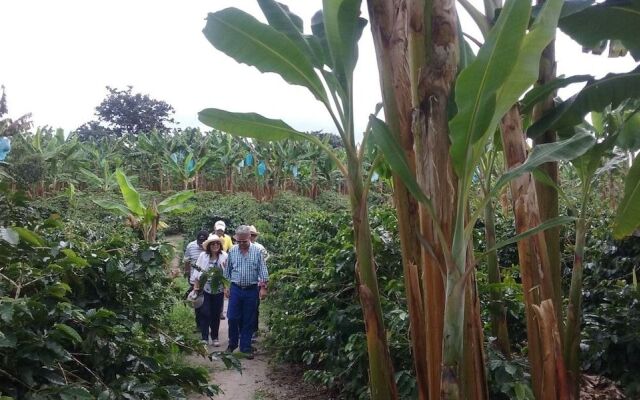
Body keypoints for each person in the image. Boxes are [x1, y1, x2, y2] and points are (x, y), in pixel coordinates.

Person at [224, 225, 268, 359]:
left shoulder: (257, 251)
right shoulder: (232, 251)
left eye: (244, 241)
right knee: (232, 317)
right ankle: (232, 344)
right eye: (239, 241)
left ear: (250, 237)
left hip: (251, 289)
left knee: (248, 319)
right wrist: (226, 287)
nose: (242, 244)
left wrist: (263, 287)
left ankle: (245, 347)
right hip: (236, 288)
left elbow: (262, 270)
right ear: (236, 239)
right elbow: (228, 270)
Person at [193, 234, 228, 346]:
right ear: (209, 246)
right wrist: (196, 286)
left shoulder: (224, 256)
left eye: (217, 243)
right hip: (205, 289)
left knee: (216, 314)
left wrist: (227, 288)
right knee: (205, 312)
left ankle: (215, 337)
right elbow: (197, 271)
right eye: (213, 244)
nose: (215, 245)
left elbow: (227, 274)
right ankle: (204, 337)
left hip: (218, 290)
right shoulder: (203, 256)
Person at [183, 230, 208, 330]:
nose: (201, 244)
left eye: (203, 242)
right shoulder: (191, 246)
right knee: (197, 303)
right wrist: (188, 274)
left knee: (207, 303)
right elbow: (187, 261)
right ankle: (199, 325)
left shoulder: (212, 246)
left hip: (208, 280)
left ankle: (208, 323)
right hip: (195, 279)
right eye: (200, 242)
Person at [249, 225, 268, 341]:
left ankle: (254, 330)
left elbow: (263, 266)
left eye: (253, 235)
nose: (251, 237)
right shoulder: (239, 247)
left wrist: (263, 286)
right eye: (250, 235)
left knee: (254, 308)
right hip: (244, 283)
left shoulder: (260, 248)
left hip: (256, 283)